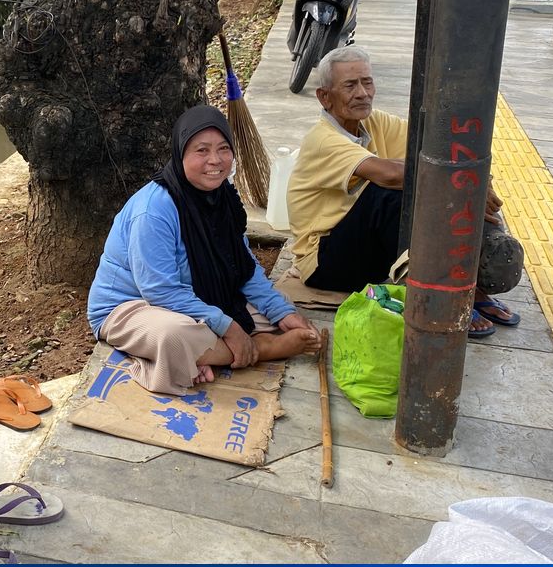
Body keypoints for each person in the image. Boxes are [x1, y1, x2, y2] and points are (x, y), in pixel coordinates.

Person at [287, 46, 523, 337]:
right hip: (324, 263)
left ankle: (474, 288)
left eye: (367, 82)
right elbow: (387, 174)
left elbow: (438, 145)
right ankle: (434, 296)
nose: (362, 93)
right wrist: (459, 183)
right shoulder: (322, 140)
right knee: (391, 194)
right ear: (325, 97)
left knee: (443, 183)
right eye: (350, 85)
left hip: (365, 252)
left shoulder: (374, 122)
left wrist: (479, 182)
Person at [87, 105, 321, 396]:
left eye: (223, 148)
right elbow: (159, 291)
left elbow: (242, 268)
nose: (215, 160)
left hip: (196, 295)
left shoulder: (222, 198)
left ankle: (212, 354)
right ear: (180, 153)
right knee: (174, 337)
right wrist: (231, 328)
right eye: (201, 150)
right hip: (131, 305)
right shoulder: (154, 210)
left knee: (275, 309)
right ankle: (261, 348)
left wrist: (282, 312)